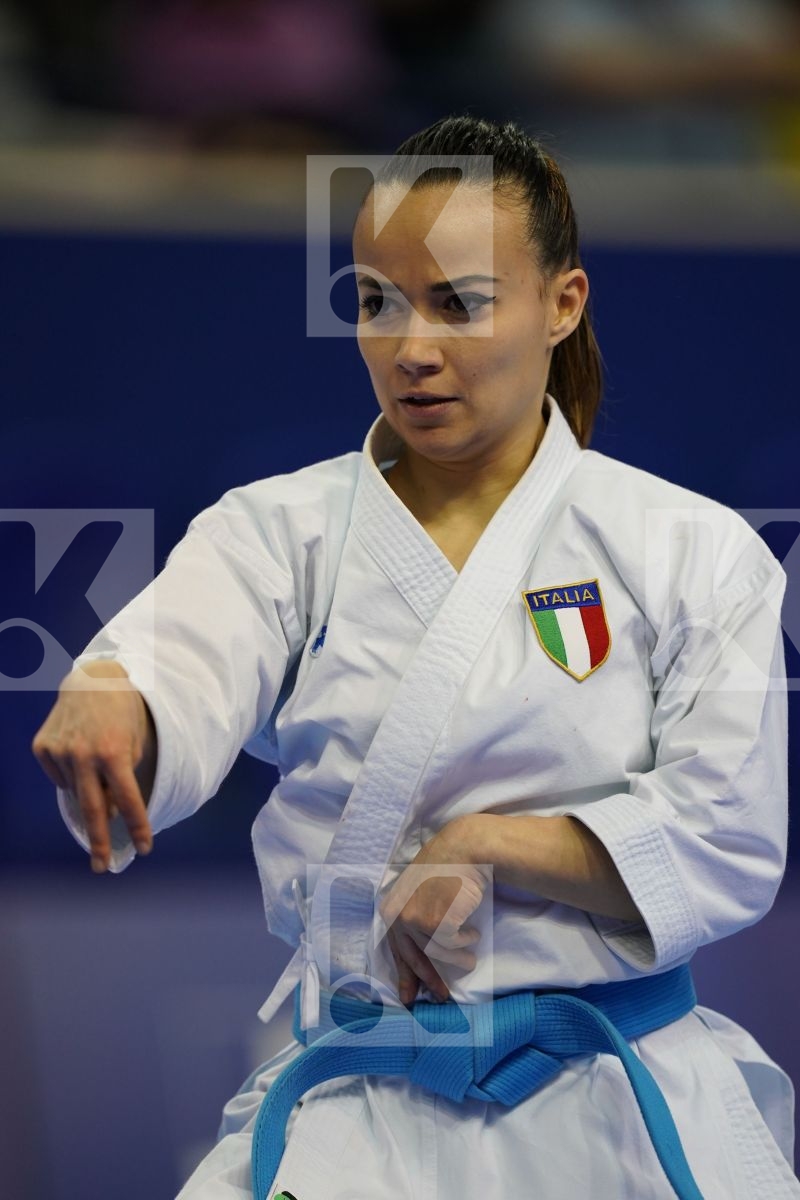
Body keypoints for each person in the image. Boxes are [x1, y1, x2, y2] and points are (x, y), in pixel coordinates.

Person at [32, 114, 797, 1199]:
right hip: (358, 1113)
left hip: (612, 1109)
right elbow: (188, 649)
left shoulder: (687, 548)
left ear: (561, 305)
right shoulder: (279, 529)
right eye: (375, 301)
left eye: (458, 302)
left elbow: (727, 832)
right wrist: (117, 694)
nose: (410, 347)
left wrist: (492, 846)